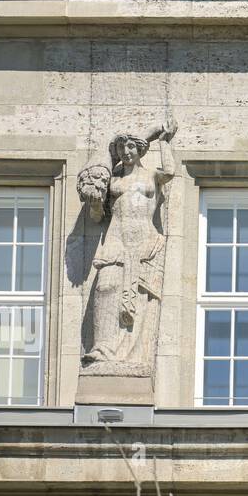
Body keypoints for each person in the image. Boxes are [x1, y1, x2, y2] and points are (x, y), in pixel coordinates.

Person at [78, 120, 178, 375]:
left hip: (143, 239)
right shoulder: (113, 180)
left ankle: (132, 354)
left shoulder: (150, 176)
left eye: (131, 146)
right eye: (122, 147)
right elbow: (98, 216)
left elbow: (170, 172)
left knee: (139, 300)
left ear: (141, 149)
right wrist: (94, 202)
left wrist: (163, 141)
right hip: (116, 238)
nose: (126, 151)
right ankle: (102, 348)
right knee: (105, 285)